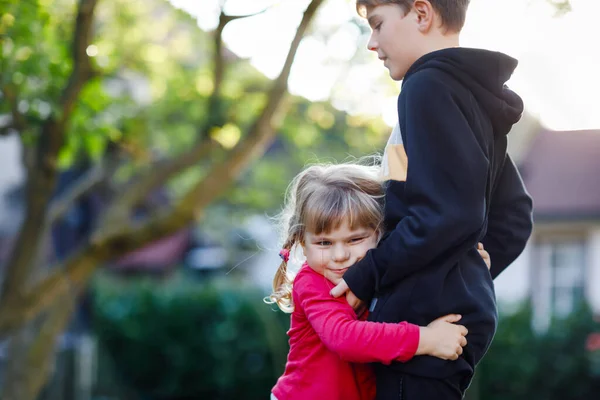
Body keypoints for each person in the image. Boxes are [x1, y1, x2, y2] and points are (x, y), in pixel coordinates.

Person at [330, 1, 534, 399]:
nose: (372, 43)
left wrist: (367, 275)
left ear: (421, 14)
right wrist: (471, 267)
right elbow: (514, 214)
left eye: (377, 24)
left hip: (422, 322)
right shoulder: (472, 96)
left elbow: (449, 213)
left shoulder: (426, 87)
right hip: (452, 317)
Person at [266, 163, 491, 400]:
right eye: (324, 243)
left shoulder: (380, 274)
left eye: (355, 239)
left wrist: (467, 269)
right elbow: (345, 338)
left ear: (381, 234)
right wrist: (426, 339)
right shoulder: (312, 283)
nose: (340, 255)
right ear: (302, 241)